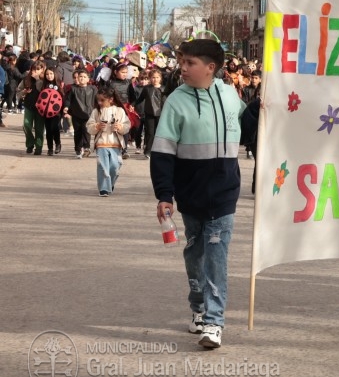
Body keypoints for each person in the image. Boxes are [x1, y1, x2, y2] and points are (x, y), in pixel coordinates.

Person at [150, 39, 246, 349]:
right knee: (195, 254)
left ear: (211, 68)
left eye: (190, 63)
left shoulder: (230, 96)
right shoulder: (176, 101)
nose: (183, 68)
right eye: (182, 62)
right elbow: (162, 151)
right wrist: (164, 194)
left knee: (216, 254)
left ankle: (214, 323)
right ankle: (199, 307)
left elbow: (254, 128)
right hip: (189, 193)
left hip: (225, 192)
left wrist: (263, 106)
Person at [85, 87, 130, 197]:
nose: (99, 102)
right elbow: (89, 126)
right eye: (98, 100)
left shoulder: (119, 111)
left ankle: (110, 183)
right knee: (103, 166)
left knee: (115, 165)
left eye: (102, 100)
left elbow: (127, 125)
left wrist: (120, 127)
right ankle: (104, 188)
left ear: (111, 99)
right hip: (101, 143)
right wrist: (97, 126)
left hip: (116, 143)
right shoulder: (96, 111)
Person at [16, 60, 46, 154]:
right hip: (29, 106)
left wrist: (37, 79)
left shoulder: (45, 80)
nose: (35, 71)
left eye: (38, 69)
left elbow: (43, 91)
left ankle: (39, 146)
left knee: (39, 128)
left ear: (42, 70)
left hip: (41, 108)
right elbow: (18, 93)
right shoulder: (26, 79)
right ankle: (30, 143)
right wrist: (24, 92)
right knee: (26, 125)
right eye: (33, 69)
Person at [65, 69, 97, 158]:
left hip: (88, 114)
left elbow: (98, 100)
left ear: (88, 79)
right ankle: (78, 150)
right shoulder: (73, 89)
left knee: (86, 131)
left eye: (84, 77)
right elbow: (68, 100)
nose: (82, 78)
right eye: (80, 76)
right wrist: (66, 107)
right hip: (76, 114)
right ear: (77, 78)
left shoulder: (93, 89)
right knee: (78, 132)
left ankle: (86, 148)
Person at [136, 69, 165, 159]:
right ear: (150, 78)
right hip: (149, 114)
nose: (155, 79)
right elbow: (140, 99)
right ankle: (148, 151)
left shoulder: (164, 88)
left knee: (159, 133)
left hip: (161, 114)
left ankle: (159, 150)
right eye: (153, 77)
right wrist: (133, 105)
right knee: (149, 133)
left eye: (157, 77)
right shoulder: (147, 88)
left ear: (160, 78)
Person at [41, 66, 64, 156]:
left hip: (57, 112)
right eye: (47, 74)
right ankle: (50, 148)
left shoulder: (60, 85)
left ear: (55, 74)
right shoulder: (44, 85)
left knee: (54, 127)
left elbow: (63, 98)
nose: (49, 76)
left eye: (51, 74)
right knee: (48, 129)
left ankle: (58, 144)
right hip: (46, 112)